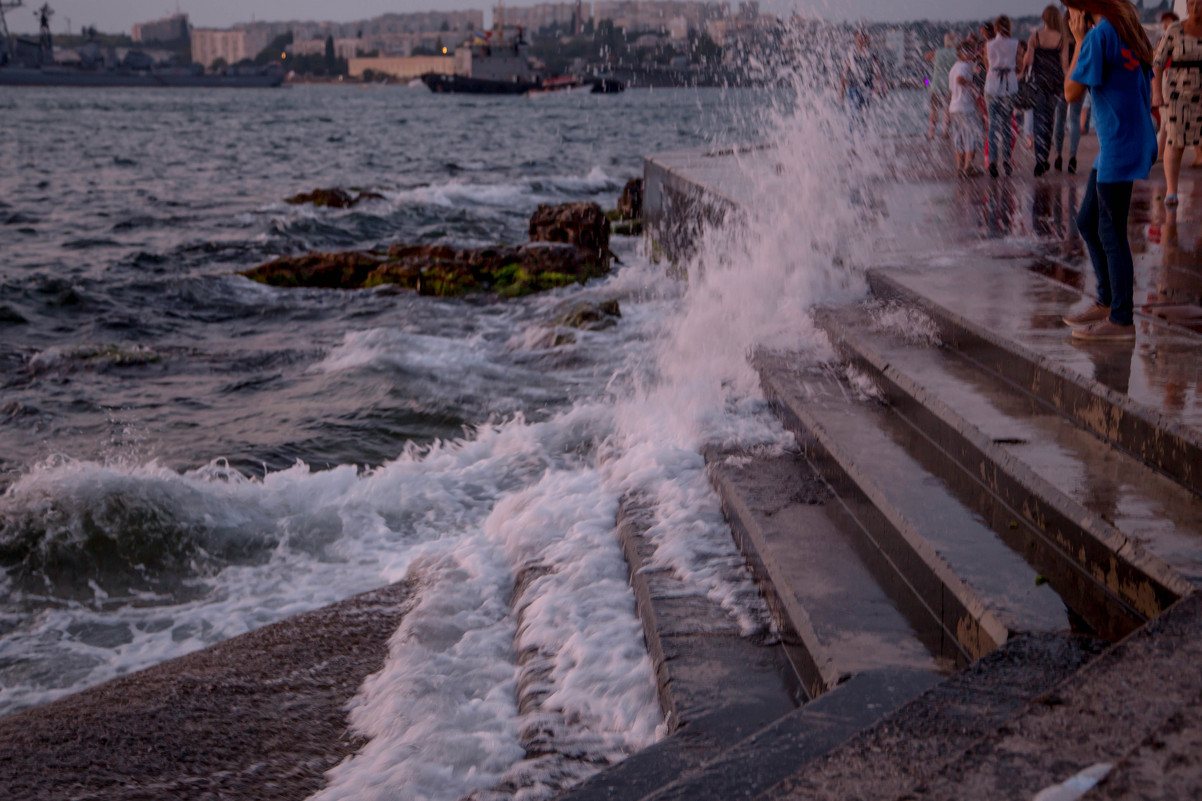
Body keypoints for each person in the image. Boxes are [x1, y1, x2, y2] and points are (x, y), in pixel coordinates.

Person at [1061, 0, 1158, 342]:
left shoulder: (1099, 36)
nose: (1069, 16)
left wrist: (1077, 39)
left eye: (1070, 9)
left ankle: (1121, 320)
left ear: (1083, 9)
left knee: (1111, 231)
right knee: (1088, 221)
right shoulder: (1127, 31)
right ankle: (1107, 301)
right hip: (1125, 140)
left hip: (1118, 144)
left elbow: (1071, 92)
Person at [1154, 0, 1202, 207]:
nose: (1195, 8)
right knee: (1175, 140)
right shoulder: (1175, 29)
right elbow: (1158, 62)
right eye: (1191, 4)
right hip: (1177, 93)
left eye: (1199, 4)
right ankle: (1171, 191)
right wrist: (1156, 93)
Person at [1024, 5, 1070, 175]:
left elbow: (1028, 60)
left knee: (1038, 121)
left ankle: (1040, 159)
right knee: (1049, 120)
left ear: (1044, 19)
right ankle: (1044, 156)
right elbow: (1064, 65)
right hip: (1055, 84)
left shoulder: (1035, 37)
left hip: (1039, 83)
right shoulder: (1061, 39)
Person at [985, 15, 1021, 177]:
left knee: (992, 125)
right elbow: (1019, 65)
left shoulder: (989, 45)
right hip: (1009, 86)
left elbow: (988, 66)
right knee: (1007, 125)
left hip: (992, 86)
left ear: (996, 28)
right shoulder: (1015, 44)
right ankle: (1006, 160)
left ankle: (992, 161)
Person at [949, 40, 983, 177]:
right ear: (964, 53)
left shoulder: (953, 67)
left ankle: (959, 168)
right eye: (971, 51)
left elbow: (952, 89)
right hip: (965, 108)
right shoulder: (964, 66)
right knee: (972, 136)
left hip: (954, 108)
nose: (973, 54)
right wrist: (973, 86)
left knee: (958, 138)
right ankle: (968, 167)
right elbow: (959, 80)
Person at [842, 30, 882, 130]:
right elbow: (844, 73)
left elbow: (878, 73)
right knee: (854, 112)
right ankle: (853, 140)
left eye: (862, 39)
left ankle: (862, 139)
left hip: (867, 87)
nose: (860, 41)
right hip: (853, 87)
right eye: (858, 39)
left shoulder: (872, 55)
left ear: (866, 40)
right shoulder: (851, 54)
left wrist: (877, 87)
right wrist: (841, 91)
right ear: (855, 40)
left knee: (864, 114)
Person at [926, 32, 958, 138]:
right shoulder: (956, 54)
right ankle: (945, 132)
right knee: (947, 109)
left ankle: (931, 132)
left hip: (936, 83)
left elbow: (926, 57)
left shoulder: (938, 52)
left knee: (934, 110)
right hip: (949, 84)